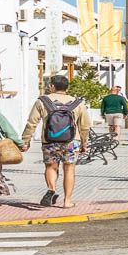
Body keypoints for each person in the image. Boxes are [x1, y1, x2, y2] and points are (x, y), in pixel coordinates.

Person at [23, 74, 90, 209]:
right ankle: (67, 202)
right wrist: (84, 143)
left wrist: (26, 140)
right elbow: (85, 126)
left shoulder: (42, 101)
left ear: (52, 86)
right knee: (69, 168)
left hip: (49, 141)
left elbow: (32, 123)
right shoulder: (78, 103)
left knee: (51, 166)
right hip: (72, 141)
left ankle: (52, 189)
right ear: (67, 87)